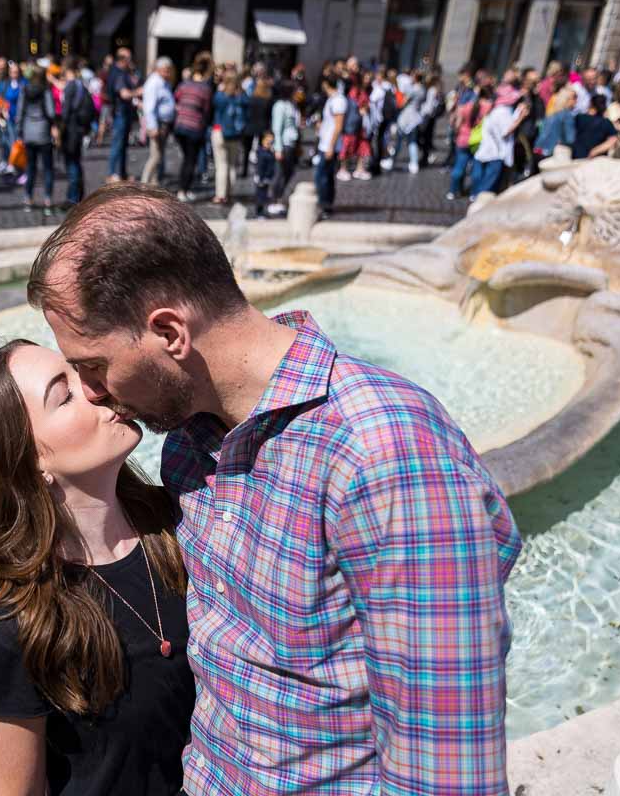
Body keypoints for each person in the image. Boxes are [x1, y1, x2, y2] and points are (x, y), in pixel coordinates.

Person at [26, 182, 521, 796]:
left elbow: (446, 769)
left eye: (94, 365)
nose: (93, 391)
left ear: (170, 333)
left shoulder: (385, 453)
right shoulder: (188, 444)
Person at [0, 338, 194, 796]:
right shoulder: (13, 631)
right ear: (31, 463)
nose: (96, 386)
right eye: (66, 393)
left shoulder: (185, 525)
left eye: (81, 369)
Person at [471, 87, 529, 199]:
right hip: (496, 153)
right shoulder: (503, 111)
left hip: (487, 150)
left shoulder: (497, 109)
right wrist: (521, 117)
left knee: (482, 179)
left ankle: (476, 196)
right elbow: (505, 131)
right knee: (489, 184)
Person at [172, 52, 213, 204]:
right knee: (190, 160)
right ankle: (183, 190)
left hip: (180, 126)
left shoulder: (184, 84)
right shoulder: (205, 89)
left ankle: (184, 188)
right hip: (194, 127)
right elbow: (207, 110)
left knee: (186, 159)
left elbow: (176, 99)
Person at [17, 68, 56, 215]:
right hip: (43, 132)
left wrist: (19, 131)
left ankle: (28, 199)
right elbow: (51, 111)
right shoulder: (45, 90)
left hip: (28, 132)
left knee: (30, 168)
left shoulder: (25, 89)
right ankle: (47, 200)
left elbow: (20, 112)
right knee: (47, 168)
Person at [59, 58, 95, 207]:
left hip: (71, 129)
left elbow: (66, 112)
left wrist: (60, 129)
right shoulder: (82, 85)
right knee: (76, 162)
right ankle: (78, 195)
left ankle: (73, 198)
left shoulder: (70, 86)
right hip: (79, 128)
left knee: (72, 163)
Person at [210, 71, 248, 205]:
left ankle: (220, 195)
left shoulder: (220, 95)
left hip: (220, 131)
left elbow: (214, 105)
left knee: (221, 165)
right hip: (236, 134)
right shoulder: (243, 96)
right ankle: (229, 193)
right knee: (232, 165)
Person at [313, 74, 346, 220]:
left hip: (329, 145)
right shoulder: (332, 99)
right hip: (325, 143)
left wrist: (331, 147)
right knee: (326, 176)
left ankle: (325, 205)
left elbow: (338, 126)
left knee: (322, 177)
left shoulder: (338, 101)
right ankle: (326, 205)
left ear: (326, 84)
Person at [267, 79, 300, 215]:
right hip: (284, 144)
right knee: (280, 173)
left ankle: (279, 196)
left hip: (291, 142)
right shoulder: (280, 106)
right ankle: (274, 199)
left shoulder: (292, 104)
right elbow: (277, 128)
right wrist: (278, 148)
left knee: (289, 171)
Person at [140, 57, 175, 186]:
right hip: (157, 123)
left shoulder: (163, 82)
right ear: (158, 69)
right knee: (155, 156)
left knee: (159, 155)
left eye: (169, 70)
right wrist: (153, 126)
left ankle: (154, 182)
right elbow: (149, 107)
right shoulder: (154, 83)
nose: (168, 73)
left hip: (163, 123)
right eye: (166, 70)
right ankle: (144, 183)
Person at [106, 48, 139, 182]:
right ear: (123, 59)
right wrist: (138, 92)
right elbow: (124, 93)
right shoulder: (119, 73)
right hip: (121, 112)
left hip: (122, 112)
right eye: (129, 58)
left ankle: (122, 173)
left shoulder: (120, 72)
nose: (131, 61)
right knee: (118, 143)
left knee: (123, 144)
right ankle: (112, 173)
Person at [240, 76, 272, 179]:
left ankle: (244, 170)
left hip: (250, 126)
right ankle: (259, 170)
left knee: (247, 150)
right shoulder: (267, 100)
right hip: (262, 127)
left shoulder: (251, 99)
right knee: (261, 150)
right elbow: (268, 116)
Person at [571, 94, 617, 159]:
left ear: (591, 104)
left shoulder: (579, 118)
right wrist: (595, 151)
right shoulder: (606, 122)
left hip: (577, 157)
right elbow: (613, 140)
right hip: (595, 160)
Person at [252, 131, 276, 217]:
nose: (269, 143)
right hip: (262, 178)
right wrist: (260, 177)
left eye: (271, 142)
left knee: (264, 195)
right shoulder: (262, 153)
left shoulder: (269, 152)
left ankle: (261, 210)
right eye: (268, 141)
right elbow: (260, 167)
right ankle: (259, 212)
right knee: (260, 195)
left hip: (267, 177)